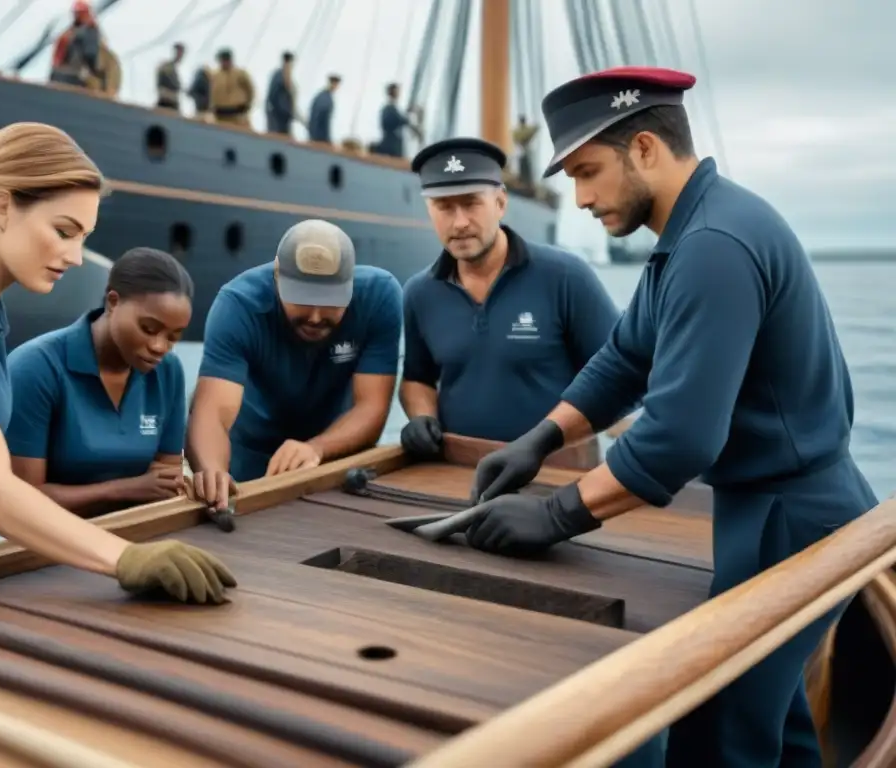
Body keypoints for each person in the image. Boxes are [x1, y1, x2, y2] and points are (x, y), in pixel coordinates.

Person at [462, 66, 877, 768]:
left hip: (794, 514)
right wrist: (542, 437)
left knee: (725, 731)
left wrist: (557, 514)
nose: (582, 197)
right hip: (766, 505)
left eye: (589, 172)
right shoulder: (687, 238)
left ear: (646, 148)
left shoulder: (714, 245)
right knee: (774, 721)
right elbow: (625, 359)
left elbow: (683, 434)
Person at [0, 121, 234, 605]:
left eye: (83, 237)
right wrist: (124, 558)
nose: (76, 256)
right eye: (64, 231)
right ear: (3, 206)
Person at [399, 137, 624, 460]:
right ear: (429, 210)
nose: (459, 222)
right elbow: (417, 379)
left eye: (472, 203)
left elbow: (619, 378)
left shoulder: (565, 277)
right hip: (457, 470)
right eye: (444, 207)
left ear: (500, 203)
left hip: (558, 470)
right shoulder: (419, 293)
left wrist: (543, 443)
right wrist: (422, 418)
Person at [187, 219, 402, 510]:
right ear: (277, 278)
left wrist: (317, 449)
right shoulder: (237, 305)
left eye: (330, 301)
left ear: (351, 286)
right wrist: (213, 472)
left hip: (332, 457)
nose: (315, 316)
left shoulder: (380, 297)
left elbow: (371, 406)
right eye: (301, 299)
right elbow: (212, 413)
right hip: (248, 459)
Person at [6, 247, 193, 519]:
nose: (159, 346)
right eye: (149, 329)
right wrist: (122, 490)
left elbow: (163, 483)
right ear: (113, 301)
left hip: (136, 534)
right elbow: (21, 501)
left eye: (173, 337)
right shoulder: (34, 368)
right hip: (47, 544)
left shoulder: (168, 371)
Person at [265, 51, 297, 136]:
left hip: (284, 119)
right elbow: (273, 98)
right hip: (277, 118)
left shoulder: (287, 79)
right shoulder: (278, 77)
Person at [308, 74, 341, 144]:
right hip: (319, 138)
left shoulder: (320, 96)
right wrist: (328, 140)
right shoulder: (326, 99)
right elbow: (325, 122)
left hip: (314, 135)